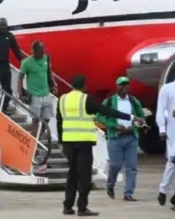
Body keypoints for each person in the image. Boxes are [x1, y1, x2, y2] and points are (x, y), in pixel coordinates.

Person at [57, 75, 145, 216]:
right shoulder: (86, 99)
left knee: (72, 174)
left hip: (68, 142)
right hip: (84, 141)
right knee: (84, 176)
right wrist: (131, 117)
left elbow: (59, 121)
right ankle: (82, 207)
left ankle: (67, 206)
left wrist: (61, 141)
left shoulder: (63, 99)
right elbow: (106, 111)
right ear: (84, 85)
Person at [96, 77, 145, 201]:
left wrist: (136, 125)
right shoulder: (109, 101)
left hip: (131, 138)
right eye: (122, 85)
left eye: (127, 85)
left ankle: (128, 194)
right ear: (116, 87)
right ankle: (110, 184)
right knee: (115, 165)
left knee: (132, 167)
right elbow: (99, 117)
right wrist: (114, 125)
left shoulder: (133, 101)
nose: (125, 87)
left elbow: (141, 117)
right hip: (116, 138)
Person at [18, 40, 57, 172]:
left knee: (47, 120)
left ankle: (36, 139)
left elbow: (49, 71)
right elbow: (20, 77)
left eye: (43, 49)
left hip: (46, 94)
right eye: (40, 50)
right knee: (36, 121)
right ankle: (33, 144)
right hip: (34, 95)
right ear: (34, 50)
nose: (43, 52)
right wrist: (20, 93)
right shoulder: (27, 62)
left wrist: (53, 84)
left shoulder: (46, 58)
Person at [156, 80, 175, 210]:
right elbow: (161, 110)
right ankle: (163, 190)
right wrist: (162, 129)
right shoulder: (168, 88)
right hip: (173, 132)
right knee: (173, 161)